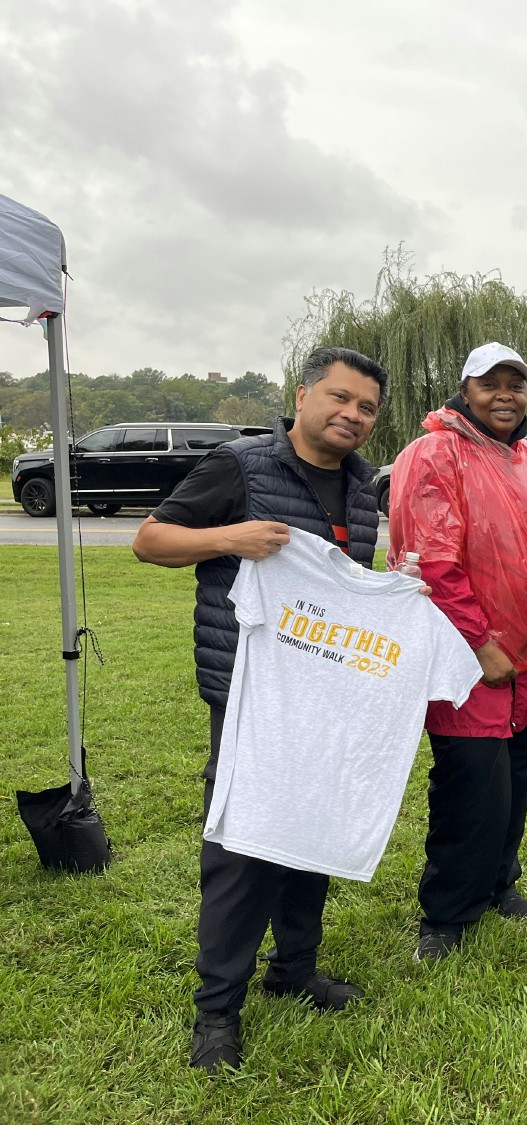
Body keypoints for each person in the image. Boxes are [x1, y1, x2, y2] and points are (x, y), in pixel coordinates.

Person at [132, 345, 388, 1074]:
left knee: (313, 834)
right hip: (249, 699)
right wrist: (227, 538)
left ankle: (294, 967)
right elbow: (150, 539)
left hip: (325, 698)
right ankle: (216, 1012)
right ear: (302, 394)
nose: (352, 415)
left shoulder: (365, 487)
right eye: (340, 398)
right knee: (241, 852)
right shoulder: (241, 466)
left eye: (366, 407)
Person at [386, 342, 527, 962]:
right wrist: (477, 641)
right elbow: (433, 561)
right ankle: (446, 913)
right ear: (465, 389)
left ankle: (500, 879)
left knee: (516, 776)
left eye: (516, 384)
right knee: (470, 782)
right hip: (465, 658)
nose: (505, 395)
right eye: (491, 383)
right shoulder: (434, 455)